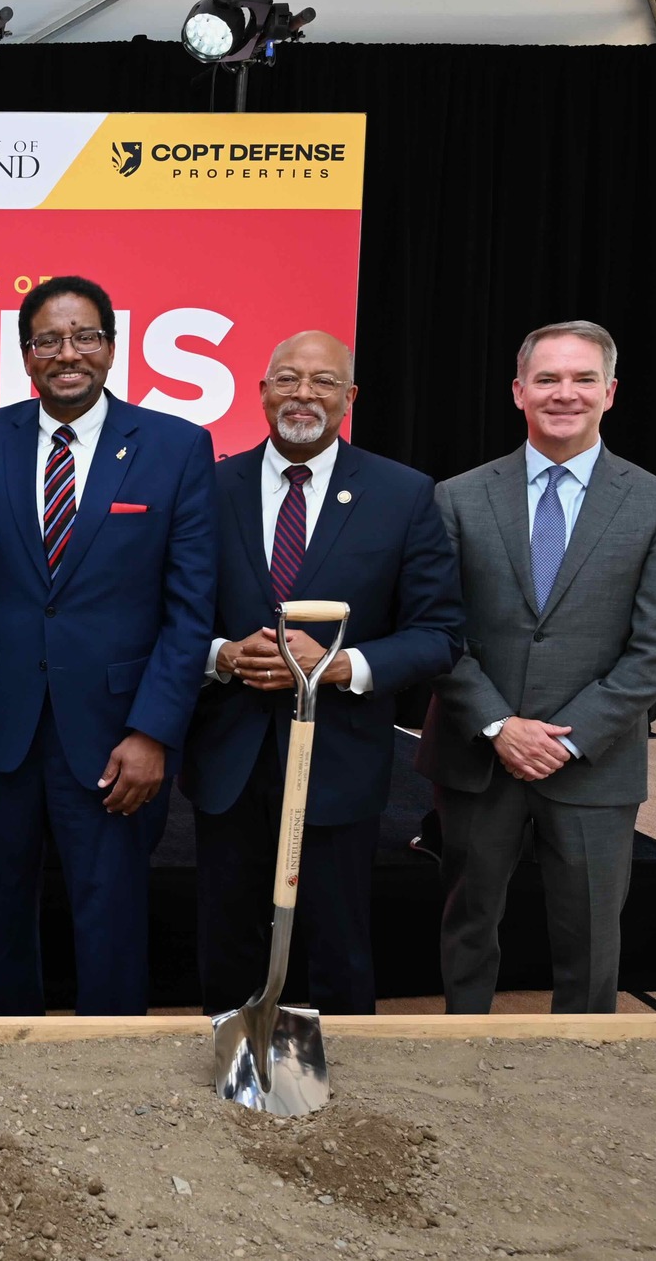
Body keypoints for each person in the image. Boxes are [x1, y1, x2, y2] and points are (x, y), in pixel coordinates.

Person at [0, 275, 216, 1016]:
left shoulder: (176, 447)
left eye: (85, 336)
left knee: (112, 910)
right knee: (1, 907)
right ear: (25, 355)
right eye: (49, 340)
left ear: (112, 346)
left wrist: (154, 730)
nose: (68, 353)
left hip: (117, 730)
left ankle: (112, 1064)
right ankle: (5, 1058)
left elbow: (190, 609)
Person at [418, 320, 656, 1014]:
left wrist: (566, 738)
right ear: (519, 391)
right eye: (547, 378)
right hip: (479, 756)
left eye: (582, 379)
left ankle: (584, 1073)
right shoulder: (457, 497)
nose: (563, 393)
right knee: (468, 923)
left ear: (610, 392)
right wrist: (498, 724)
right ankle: (461, 1059)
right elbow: (438, 628)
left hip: (594, 762)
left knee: (591, 938)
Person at [183, 331, 463, 1016]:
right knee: (228, 938)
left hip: (340, 759)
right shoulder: (207, 487)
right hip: (231, 760)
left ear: (350, 397)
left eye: (323, 381)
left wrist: (340, 666)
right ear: (261, 392)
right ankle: (231, 1062)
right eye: (286, 378)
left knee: (338, 940)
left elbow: (440, 634)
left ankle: (342, 1082)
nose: (303, 393)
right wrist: (219, 654)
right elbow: (166, 613)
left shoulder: (404, 495)